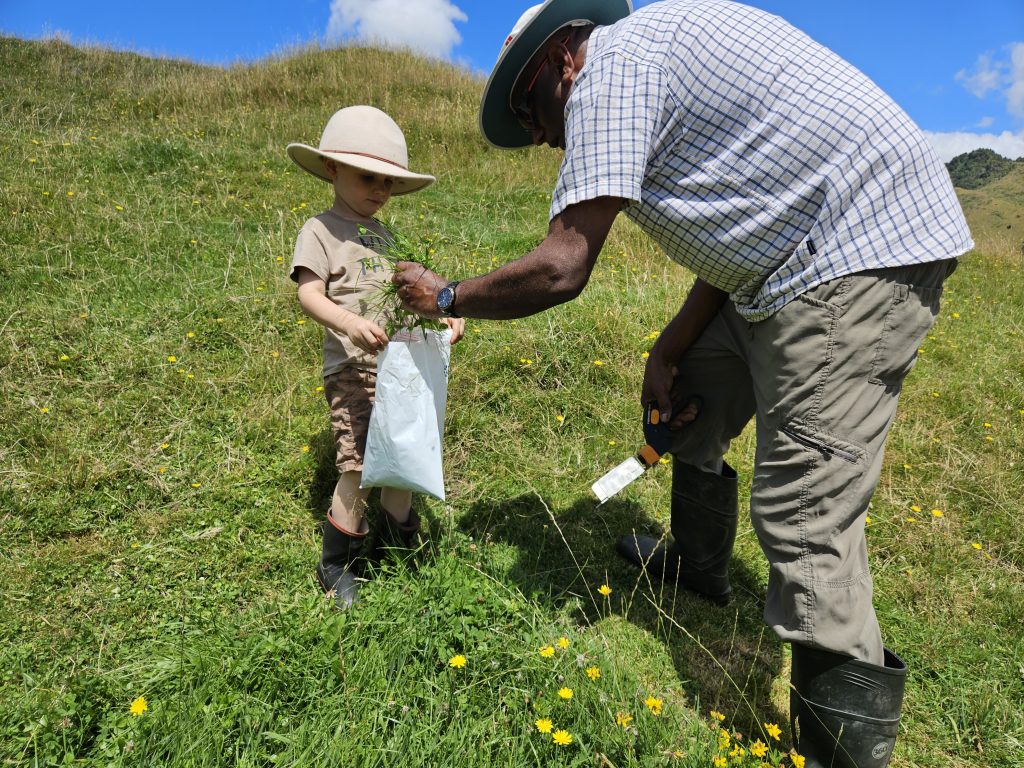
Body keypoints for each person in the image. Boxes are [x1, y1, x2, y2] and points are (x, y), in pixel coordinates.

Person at [392, 0, 973, 764]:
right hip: (785, 263)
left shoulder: (610, 71)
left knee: (805, 512)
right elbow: (744, 223)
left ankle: (840, 749)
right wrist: (669, 343)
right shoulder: (647, 61)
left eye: (527, 106)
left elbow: (563, 267)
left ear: (562, 60)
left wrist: (443, 297)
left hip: (853, 254)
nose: (535, 134)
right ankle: (700, 570)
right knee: (690, 389)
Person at [286, 105, 465, 609]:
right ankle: (338, 562)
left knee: (403, 454)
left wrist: (442, 315)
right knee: (360, 461)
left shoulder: (387, 238)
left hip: (397, 368)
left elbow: (410, 297)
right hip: (350, 365)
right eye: (368, 177)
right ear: (331, 169)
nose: (380, 190)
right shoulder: (320, 230)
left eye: (388, 182)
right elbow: (309, 293)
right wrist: (349, 323)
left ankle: (403, 545)